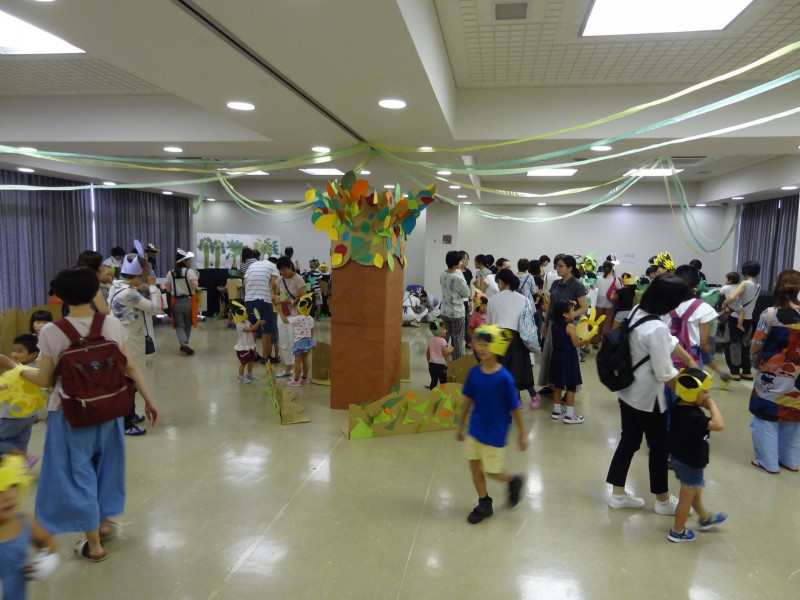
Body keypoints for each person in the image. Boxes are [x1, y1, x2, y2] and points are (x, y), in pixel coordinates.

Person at [13, 266, 158, 561]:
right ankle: (103, 522)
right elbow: (130, 367)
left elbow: (44, 380)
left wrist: (15, 370)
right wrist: (149, 400)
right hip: (109, 409)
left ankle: (93, 545)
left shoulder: (53, 331)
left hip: (70, 414)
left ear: (60, 296)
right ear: (95, 292)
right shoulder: (111, 325)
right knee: (105, 466)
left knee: (78, 472)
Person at [605, 275, 699, 513]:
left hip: (627, 391)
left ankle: (617, 494)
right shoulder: (655, 326)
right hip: (648, 399)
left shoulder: (639, 310)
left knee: (628, 441)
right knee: (659, 448)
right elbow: (665, 373)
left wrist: (687, 358)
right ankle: (663, 500)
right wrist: (693, 396)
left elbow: (669, 340)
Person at [455, 325, 527, 524]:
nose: (481, 348)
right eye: (478, 344)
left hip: (496, 431)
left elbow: (515, 407)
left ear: (496, 347)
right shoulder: (474, 374)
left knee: (492, 470)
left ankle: (513, 481)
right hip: (476, 428)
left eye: (486, 344)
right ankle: (484, 502)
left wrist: (522, 433)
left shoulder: (504, 378)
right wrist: (460, 425)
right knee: (474, 465)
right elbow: (468, 401)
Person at [748, 269, 800, 474]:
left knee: (765, 419)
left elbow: (755, 344)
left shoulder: (770, 314)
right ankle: (791, 461)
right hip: (797, 380)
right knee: (794, 418)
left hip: (771, 378)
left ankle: (767, 462)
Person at [667, 369, 727, 543]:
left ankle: (705, 518)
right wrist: (712, 405)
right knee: (687, 495)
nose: (708, 396)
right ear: (692, 393)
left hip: (681, 457)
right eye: (705, 392)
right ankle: (677, 530)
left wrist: (703, 400)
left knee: (695, 492)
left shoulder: (680, 404)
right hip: (690, 461)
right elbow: (719, 424)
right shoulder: (692, 416)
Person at [108, 254, 163, 436]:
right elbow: (156, 308)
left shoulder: (116, 285)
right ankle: (126, 421)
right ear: (139, 275)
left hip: (120, 335)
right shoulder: (130, 293)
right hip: (130, 339)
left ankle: (129, 414)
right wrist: (153, 286)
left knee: (127, 378)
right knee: (131, 380)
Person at [0, 455, 59, 599]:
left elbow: (47, 541)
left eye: (12, 485)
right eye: (0, 491)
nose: (8, 496)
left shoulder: (24, 522)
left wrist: (47, 561)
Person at [538, 254, 588, 397]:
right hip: (554, 324)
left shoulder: (577, 284)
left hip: (569, 326)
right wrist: (545, 322)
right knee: (551, 356)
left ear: (570, 268)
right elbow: (551, 305)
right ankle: (551, 385)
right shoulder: (555, 283)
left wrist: (572, 315)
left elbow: (584, 307)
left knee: (569, 358)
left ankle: (569, 390)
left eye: (561, 266)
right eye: (556, 266)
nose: (557, 268)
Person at [486, 269, 534, 400]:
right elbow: (528, 323)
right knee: (515, 374)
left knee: (498, 373)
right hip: (517, 340)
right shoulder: (524, 299)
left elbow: (489, 325)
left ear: (500, 282)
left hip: (497, 339)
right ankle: (514, 401)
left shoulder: (492, 300)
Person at [0, 335, 44, 464]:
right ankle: (20, 469)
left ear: (33, 354)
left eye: (20, 351)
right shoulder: (35, 369)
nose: (14, 354)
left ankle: (26, 458)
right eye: (14, 350)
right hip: (28, 416)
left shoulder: (23, 371)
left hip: (12, 416)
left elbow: (5, 387)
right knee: (20, 442)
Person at [548, 300, 588, 424]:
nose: (574, 313)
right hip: (569, 357)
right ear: (565, 314)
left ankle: (557, 411)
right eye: (571, 311)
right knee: (571, 384)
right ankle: (570, 414)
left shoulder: (553, 325)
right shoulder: (570, 326)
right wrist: (586, 339)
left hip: (556, 356)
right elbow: (576, 344)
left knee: (558, 384)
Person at [722, 261, 761, 381]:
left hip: (735, 317)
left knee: (732, 344)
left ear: (745, 271)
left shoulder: (745, 283)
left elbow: (732, 297)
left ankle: (735, 372)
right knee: (745, 345)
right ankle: (747, 371)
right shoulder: (758, 285)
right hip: (748, 319)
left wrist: (724, 303)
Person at [243, 253, 279, 370]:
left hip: (249, 299)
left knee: (252, 328)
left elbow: (244, 283)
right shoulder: (273, 267)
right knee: (266, 330)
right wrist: (275, 297)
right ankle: (265, 357)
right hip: (264, 299)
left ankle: (253, 355)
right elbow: (274, 284)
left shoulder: (252, 266)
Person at [275, 256, 309, 378]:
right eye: (280, 270)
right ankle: (288, 368)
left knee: (294, 342)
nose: (282, 273)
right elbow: (276, 293)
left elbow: (305, 298)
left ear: (290, 267)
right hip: (282, 313)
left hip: (295, 315)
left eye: (284, 269)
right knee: (283, 342)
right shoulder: (280, 280)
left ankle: (297, 369)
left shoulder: (298, 279)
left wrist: (292, 302)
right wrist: (277, 298)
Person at [165, 249, 199, 355]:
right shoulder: (190, 272)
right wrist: (197, 278)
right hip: (188, 302)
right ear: (184, 261)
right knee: (188, 324)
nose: (189, 262)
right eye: (188, 260)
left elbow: (168, 290)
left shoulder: (170, 273)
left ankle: (183, 344)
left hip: (176, 302)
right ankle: (184, 344)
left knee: (179, 325)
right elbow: (195, 286)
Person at [279, 292, 316, 386]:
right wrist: (309, 338)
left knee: (297, 362)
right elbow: (312, 331)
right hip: (308, 340)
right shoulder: (310, 318)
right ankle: (304, 378)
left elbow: (285, 320)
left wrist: (280, 311)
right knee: (305, 360)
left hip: (299, 341)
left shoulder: (298, 318)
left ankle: (296, 380)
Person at [440, 251, 471, 360]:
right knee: (457, 339)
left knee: (443, 338)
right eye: (460, 260)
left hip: (444, 311)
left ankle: (440, 360)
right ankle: (457, 364)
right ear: (455, 263)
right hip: (457, 313)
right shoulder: (457, 278)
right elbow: (467, 293)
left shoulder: (443, 274)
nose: (462, 262)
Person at [231, 301, 263, 384]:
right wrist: (257, 323)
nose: (247, 314)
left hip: (249, 345)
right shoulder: (239, 325)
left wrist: (258, 323)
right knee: (243, 363)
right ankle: (241, 376)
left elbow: (253, 328)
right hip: (243, 348)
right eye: (245, 313)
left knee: (251, 361)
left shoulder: (247, 322)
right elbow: (251, 329)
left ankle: (249, 374)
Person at [593, 260, 620, 347]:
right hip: (610, 304)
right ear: (612, 269)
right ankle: (604, 343)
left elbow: (594, 289)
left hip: (598, 304)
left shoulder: (598, 278)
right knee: (607, 324)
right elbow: (619, 291)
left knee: (597, 323)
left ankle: (595, 342)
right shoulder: (615, 280)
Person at [427, 319, 453, 389]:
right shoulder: (443, 341)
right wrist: (451, 350)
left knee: (434, 381)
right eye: (444, 329)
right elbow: (445, 353)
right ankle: (443, 395)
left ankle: (432, 395)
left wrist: (429, 362)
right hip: (440, 366)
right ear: (439, 330)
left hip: (432, 365)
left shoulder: (431, 340)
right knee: (443, 382)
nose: (446, 331)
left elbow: (428, 353)